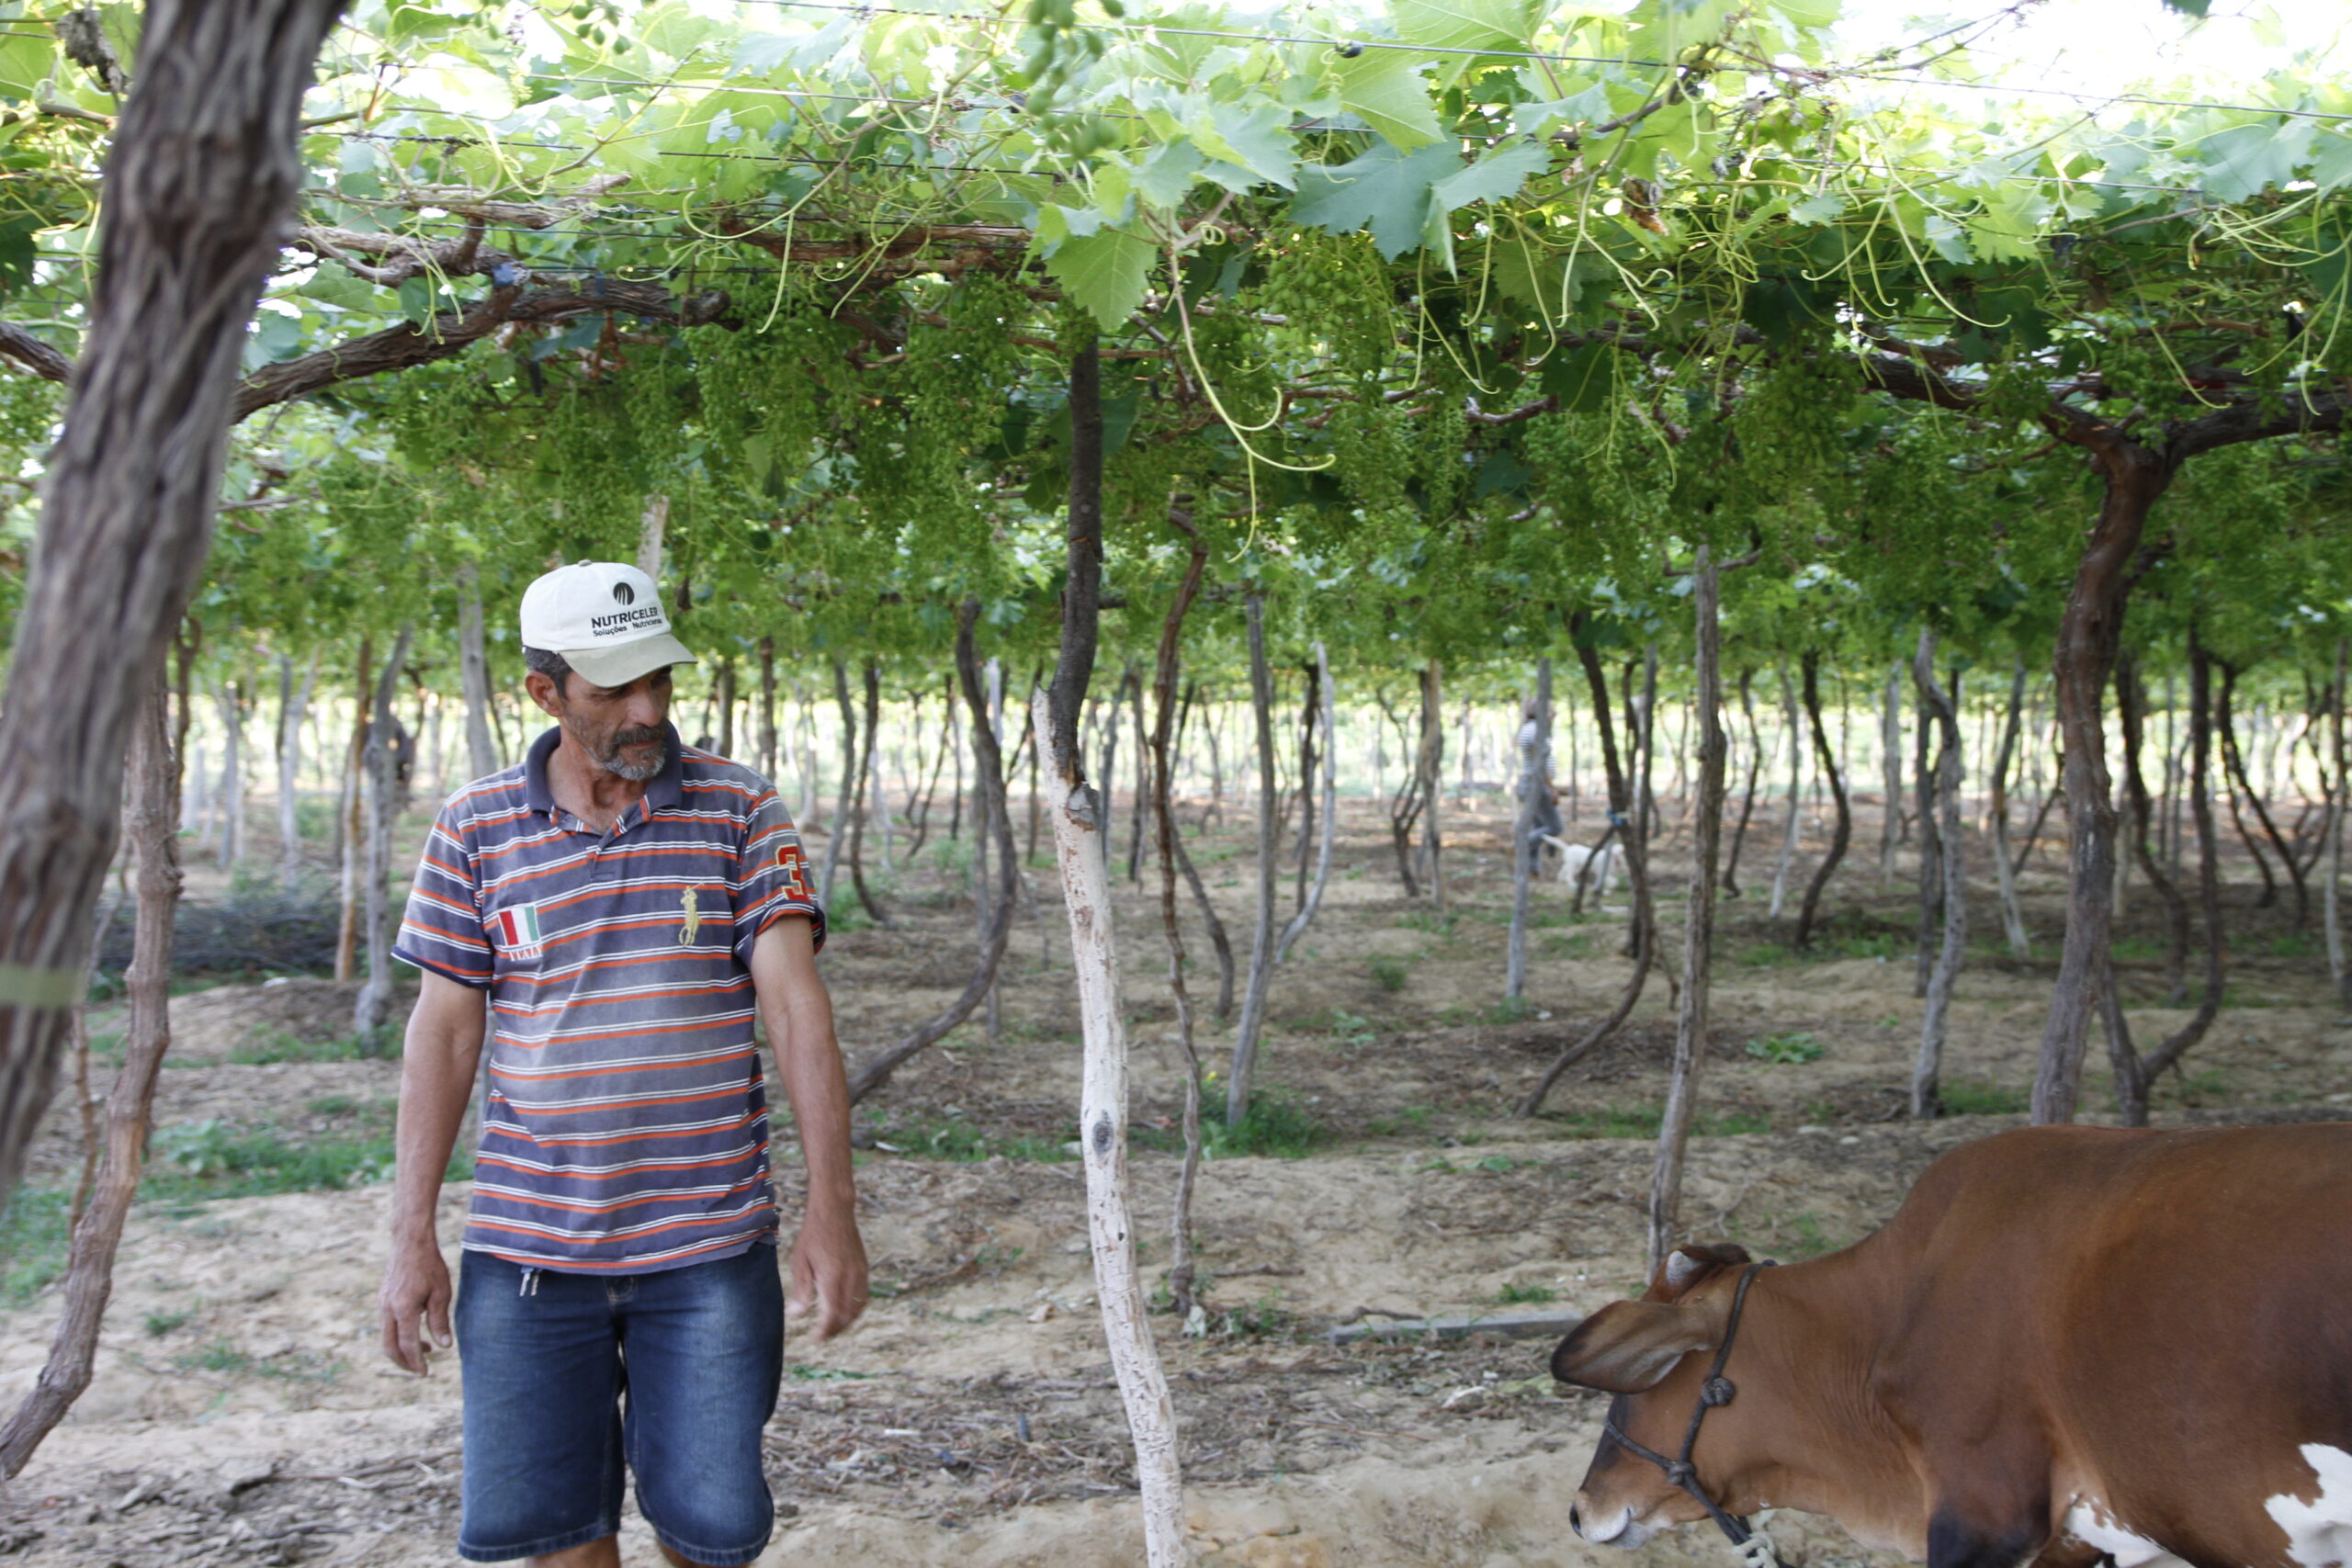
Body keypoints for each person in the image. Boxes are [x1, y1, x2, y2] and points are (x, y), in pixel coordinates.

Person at [377, 560, 867, 1568]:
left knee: (709, 1534)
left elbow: (794, 1004)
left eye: (660, 681)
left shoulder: (740, 809)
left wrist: (833, 1207)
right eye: (615, 690)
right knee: (560, 1537)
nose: (648, 711)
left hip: (708, 1248)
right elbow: (445, 1034)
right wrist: (410, 1234)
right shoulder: (475, 827)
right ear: (545, 692)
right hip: (528, 1252)